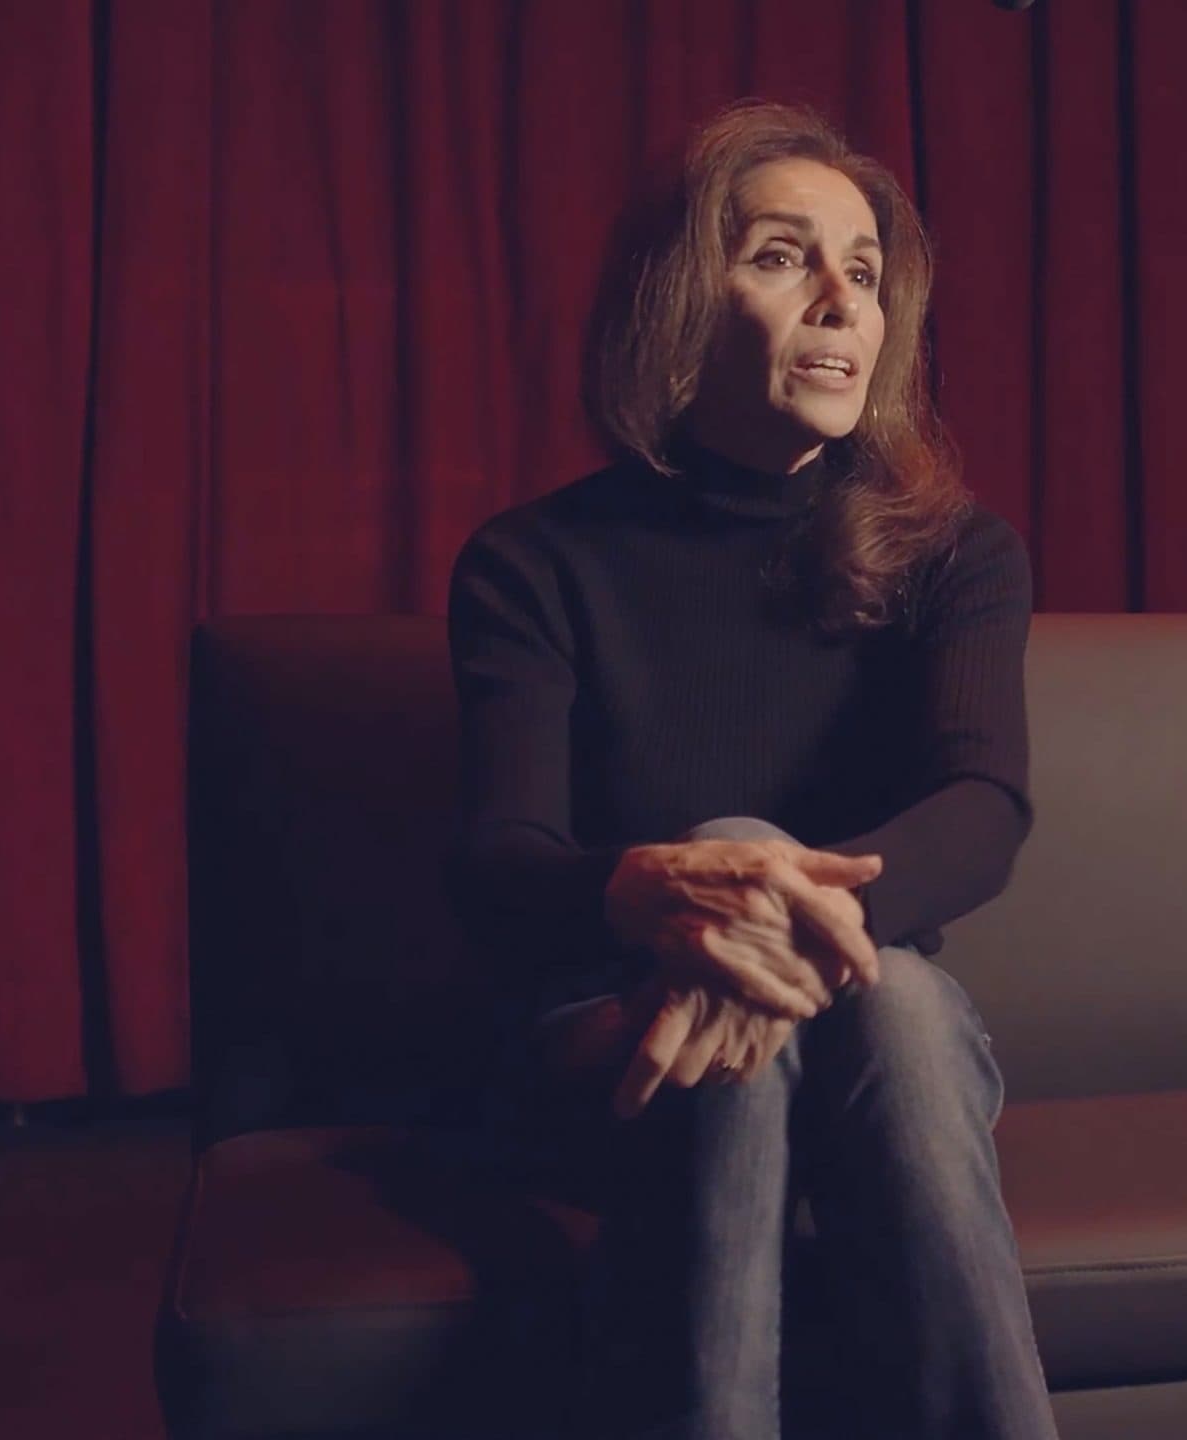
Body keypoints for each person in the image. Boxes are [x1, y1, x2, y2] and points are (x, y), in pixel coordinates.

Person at [444, 99, 1060, 1440]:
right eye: (784, 256)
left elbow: (984, 808)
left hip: (872, 1016)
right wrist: (661, 898)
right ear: (676, 298)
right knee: (769, 887)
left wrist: (764, 922)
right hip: (611, 1031)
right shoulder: (531, 564)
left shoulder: (955, 554)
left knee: (893, 1005)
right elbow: (501, 861)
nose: (842, 299)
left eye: (866, 271)